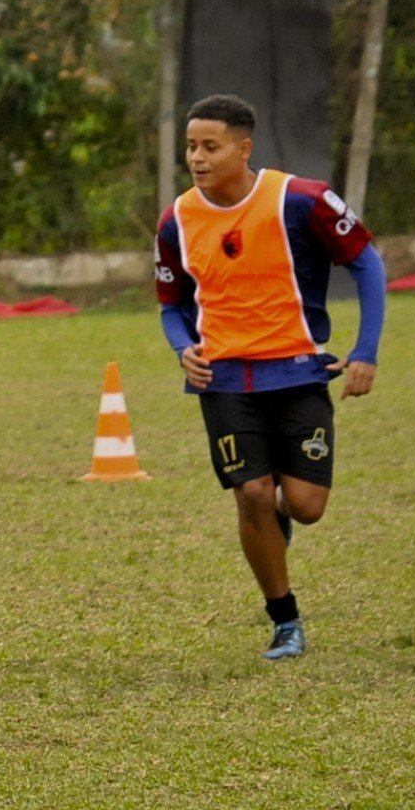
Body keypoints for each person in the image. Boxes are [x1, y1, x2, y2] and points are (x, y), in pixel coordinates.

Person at [154, 93, 386, 660]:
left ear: (243, 147)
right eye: (191, 146)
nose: (198, 158)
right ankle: (285, 621)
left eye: (211, 146)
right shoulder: (177, 219)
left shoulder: (301, 200)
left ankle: (281, 517)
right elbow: (170, 304)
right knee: (252, 492)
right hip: (224, 380)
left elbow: (367, 262)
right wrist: (184, 347)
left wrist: (365, 351)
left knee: (306, 505)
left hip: (299, 372)